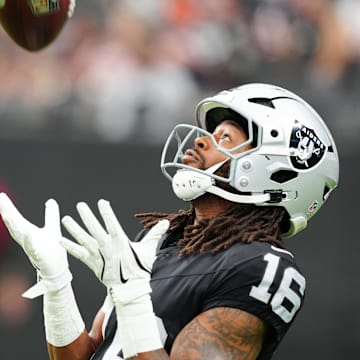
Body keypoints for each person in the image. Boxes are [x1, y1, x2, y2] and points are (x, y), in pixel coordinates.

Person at [0, 83, 339, 360]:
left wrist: (131, 294)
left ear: (273, 170)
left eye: (225, 139)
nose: (201, 140)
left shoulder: (262, 267)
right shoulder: (160, 241)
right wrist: (57, 282)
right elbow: (90, 354)